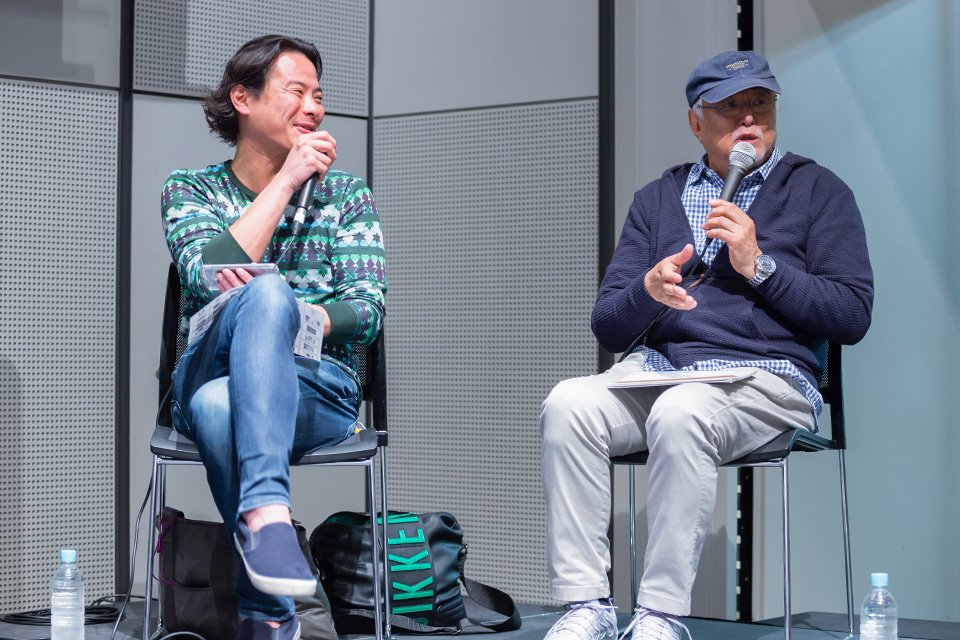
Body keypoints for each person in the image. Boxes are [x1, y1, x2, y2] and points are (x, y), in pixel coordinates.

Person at [540, 50, 873, 640]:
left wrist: (759, 265)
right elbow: (609, 327)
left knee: (683, 411)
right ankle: (586, 604)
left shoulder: (820, 191)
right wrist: (647, 292)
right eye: (730, 109)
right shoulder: (657, 198)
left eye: (760, 105)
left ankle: (659, 615)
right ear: (697, 123)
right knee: (568, 402)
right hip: (664, 372)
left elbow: (850, 315)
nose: (749, 122)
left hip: (767, 380)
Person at [160, 35, 386, 640]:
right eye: (296, 92)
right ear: (243, 99)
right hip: (207, 364)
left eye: (320, 96)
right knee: (260, 295)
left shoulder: (348, 197)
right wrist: (285, 183)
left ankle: (269, 598)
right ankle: (269, 520)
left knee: (225, 395)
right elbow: (207, 277)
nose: (313, 107)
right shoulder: (191, 189)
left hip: (319, 391)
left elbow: (365, 313)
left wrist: (284, 316)